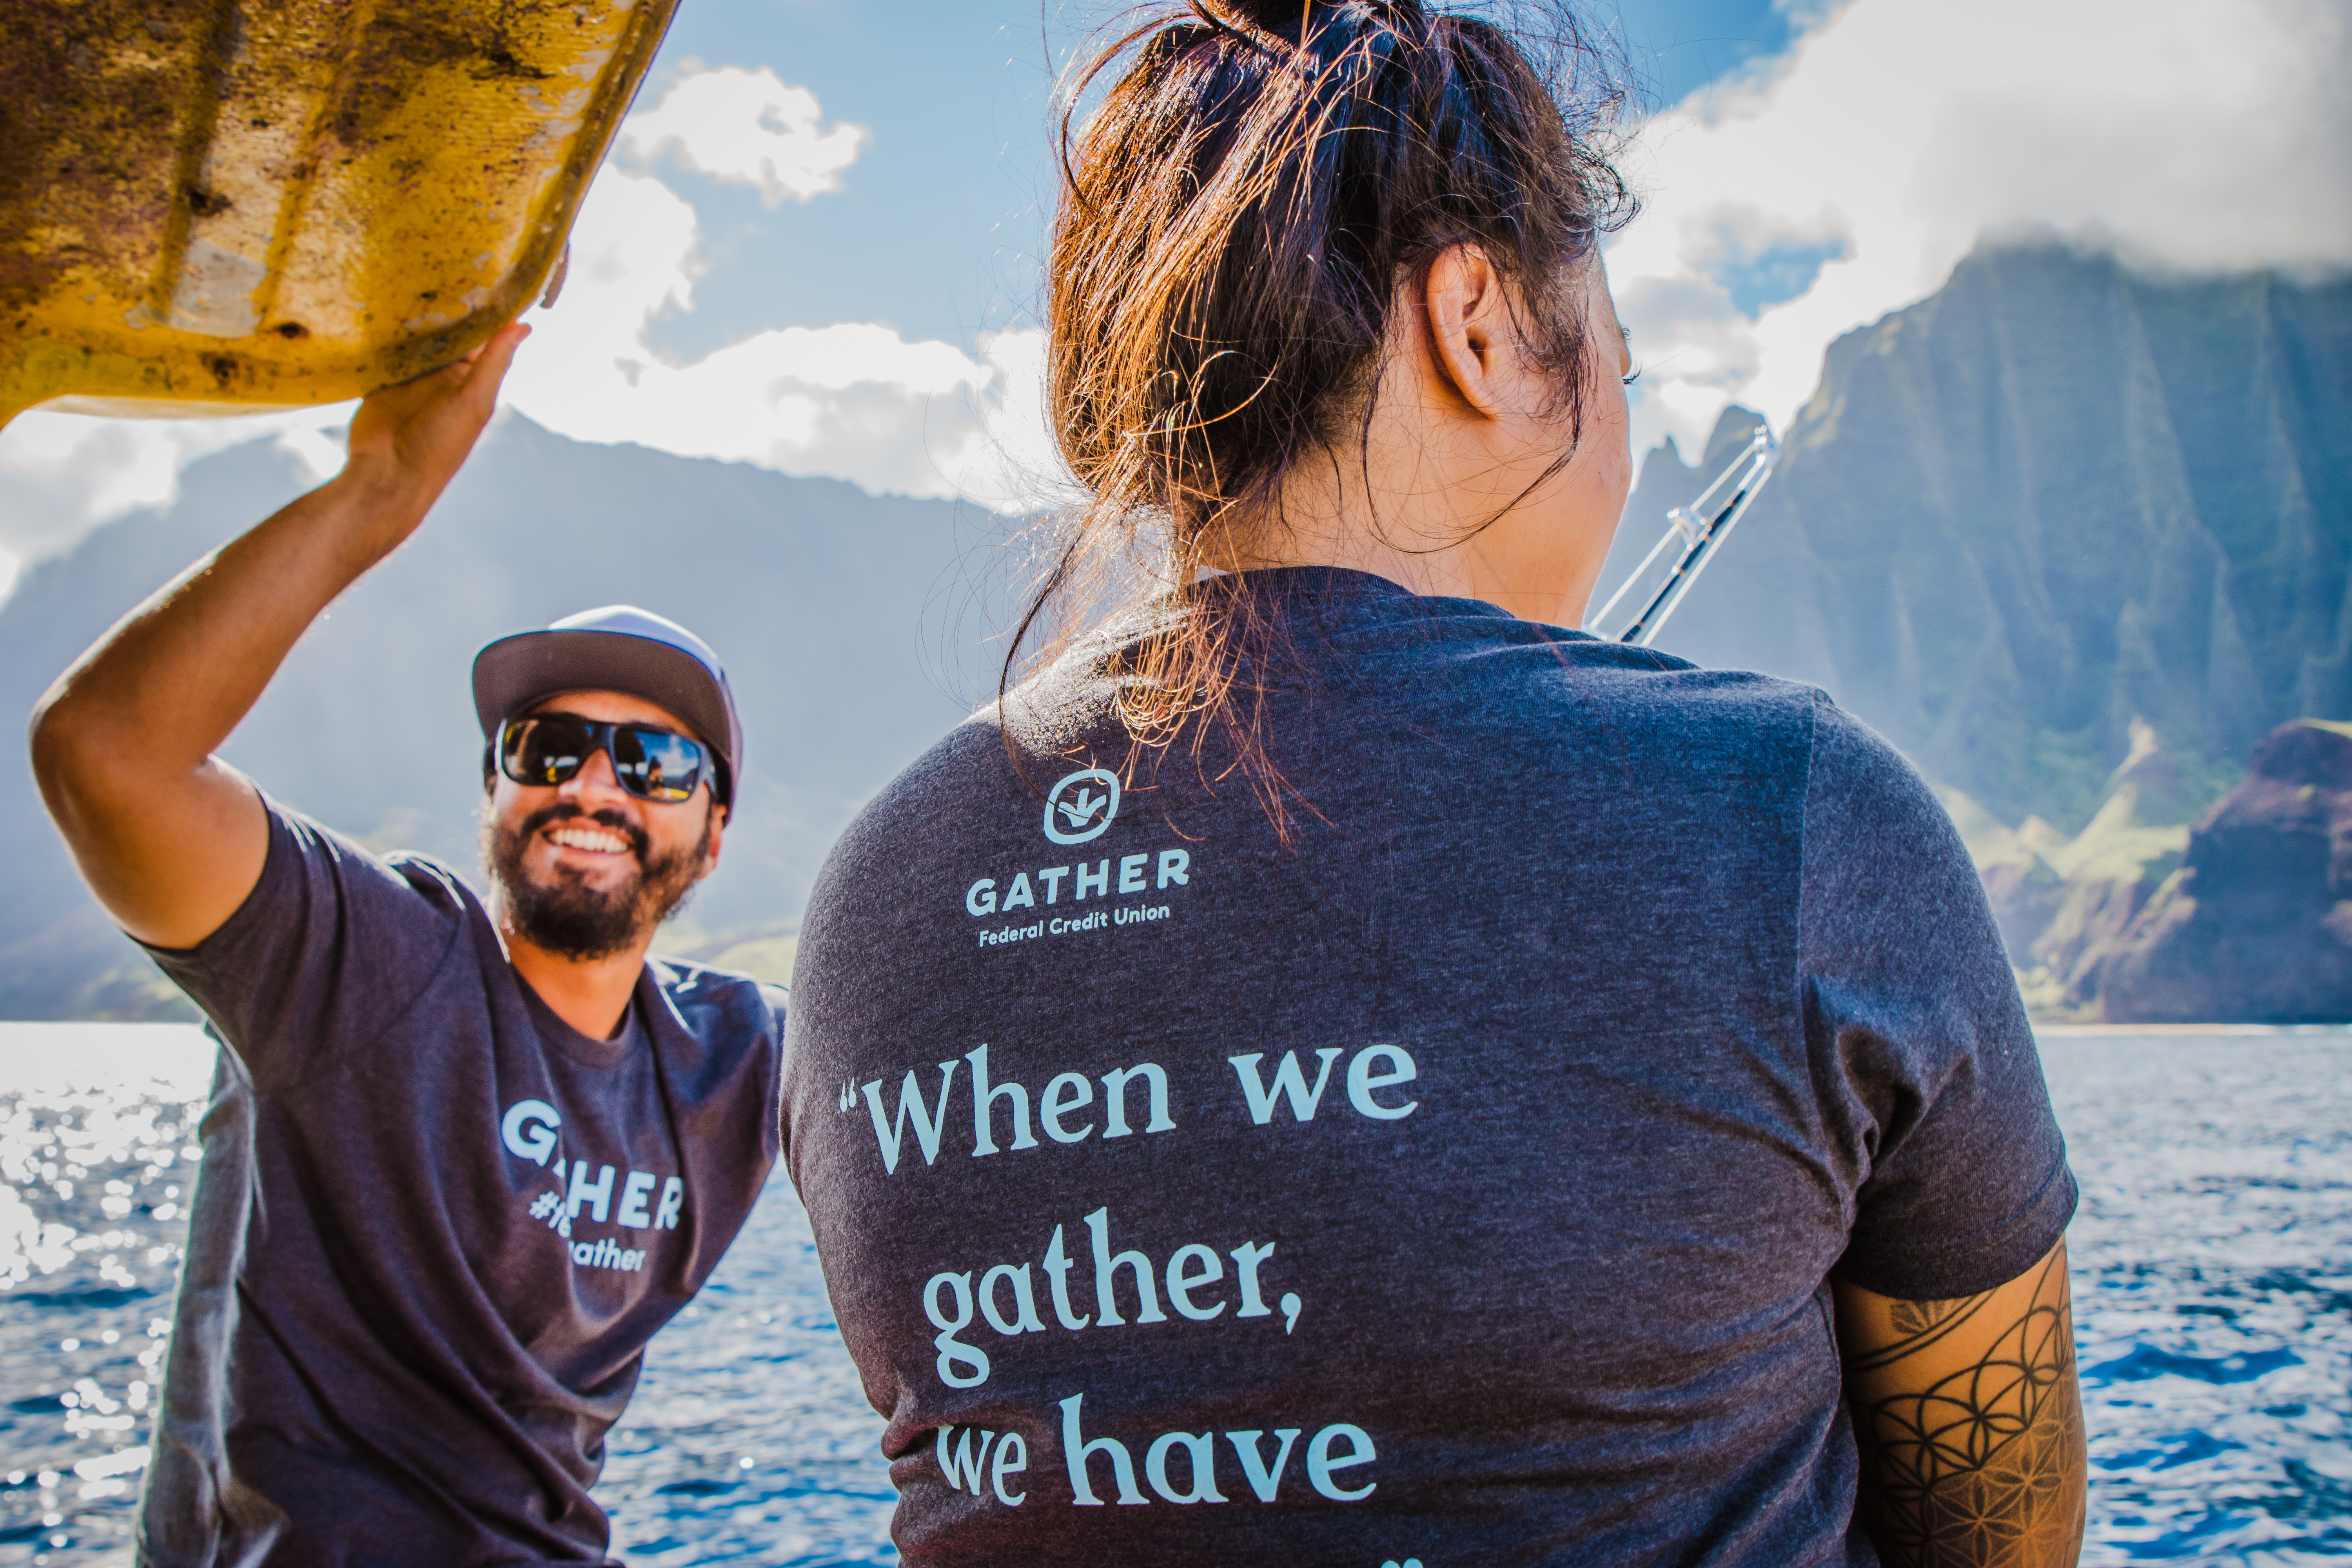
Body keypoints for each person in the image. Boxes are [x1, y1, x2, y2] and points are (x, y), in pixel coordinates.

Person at [781, 2, 2085, 1564]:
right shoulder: (1792, 818)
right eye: (1616, 353)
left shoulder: (868, 895)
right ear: (1476, 321)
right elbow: (2001, 1539)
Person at [28, 325, 786, 1566]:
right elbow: (105, 756)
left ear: (712, 836)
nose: (595, 785)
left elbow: (979, 1091)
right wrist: (377, 494)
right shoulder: (362, 960)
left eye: (653, 761)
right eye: (547, 749)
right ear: (491, 794)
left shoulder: (737, 1061)